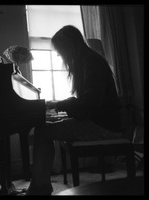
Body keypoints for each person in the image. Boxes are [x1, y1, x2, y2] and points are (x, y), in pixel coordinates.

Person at [23, 25, 123, 195]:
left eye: (60, 50)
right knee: (45, 127)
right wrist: (60, 106)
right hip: (98, 120)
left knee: (43, 131)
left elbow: (88, 106)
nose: (59, 54)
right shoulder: (87, 60)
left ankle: (39, 186)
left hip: (105, 126)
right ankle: (41, 183)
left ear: (69, 46)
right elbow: (86, 105)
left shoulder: (91, 62)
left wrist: (59, 105)